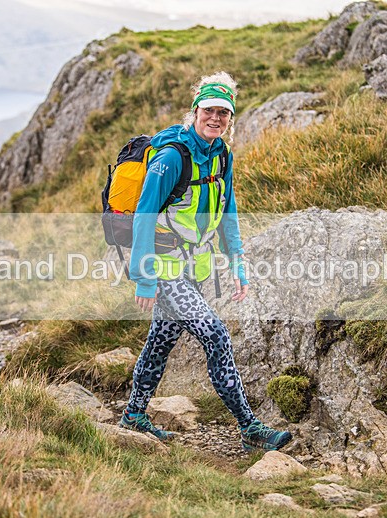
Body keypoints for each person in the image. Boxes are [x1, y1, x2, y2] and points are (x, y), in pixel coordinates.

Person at [118, 71, 293, 451]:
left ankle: (133, 415)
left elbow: (228, 211)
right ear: (195, 110)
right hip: (163, 266)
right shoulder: (170, 158)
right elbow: (144, 215)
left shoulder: (221, 154)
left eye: (224, 113)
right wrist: (145, 278)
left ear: (231, 119)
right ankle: (249, 428)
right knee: (215, 333)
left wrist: (237, 263)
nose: (216, 118)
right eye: (210, 110)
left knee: (161, 340)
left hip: (193, 266)